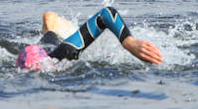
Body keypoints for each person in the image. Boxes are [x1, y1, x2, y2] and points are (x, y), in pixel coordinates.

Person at [15, 7, 163, 71]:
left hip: (48, 51)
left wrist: (129, 42)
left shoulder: (63, 55)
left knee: (51, 32)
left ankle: (51, 22)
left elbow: (106, 14)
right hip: (39, 53)